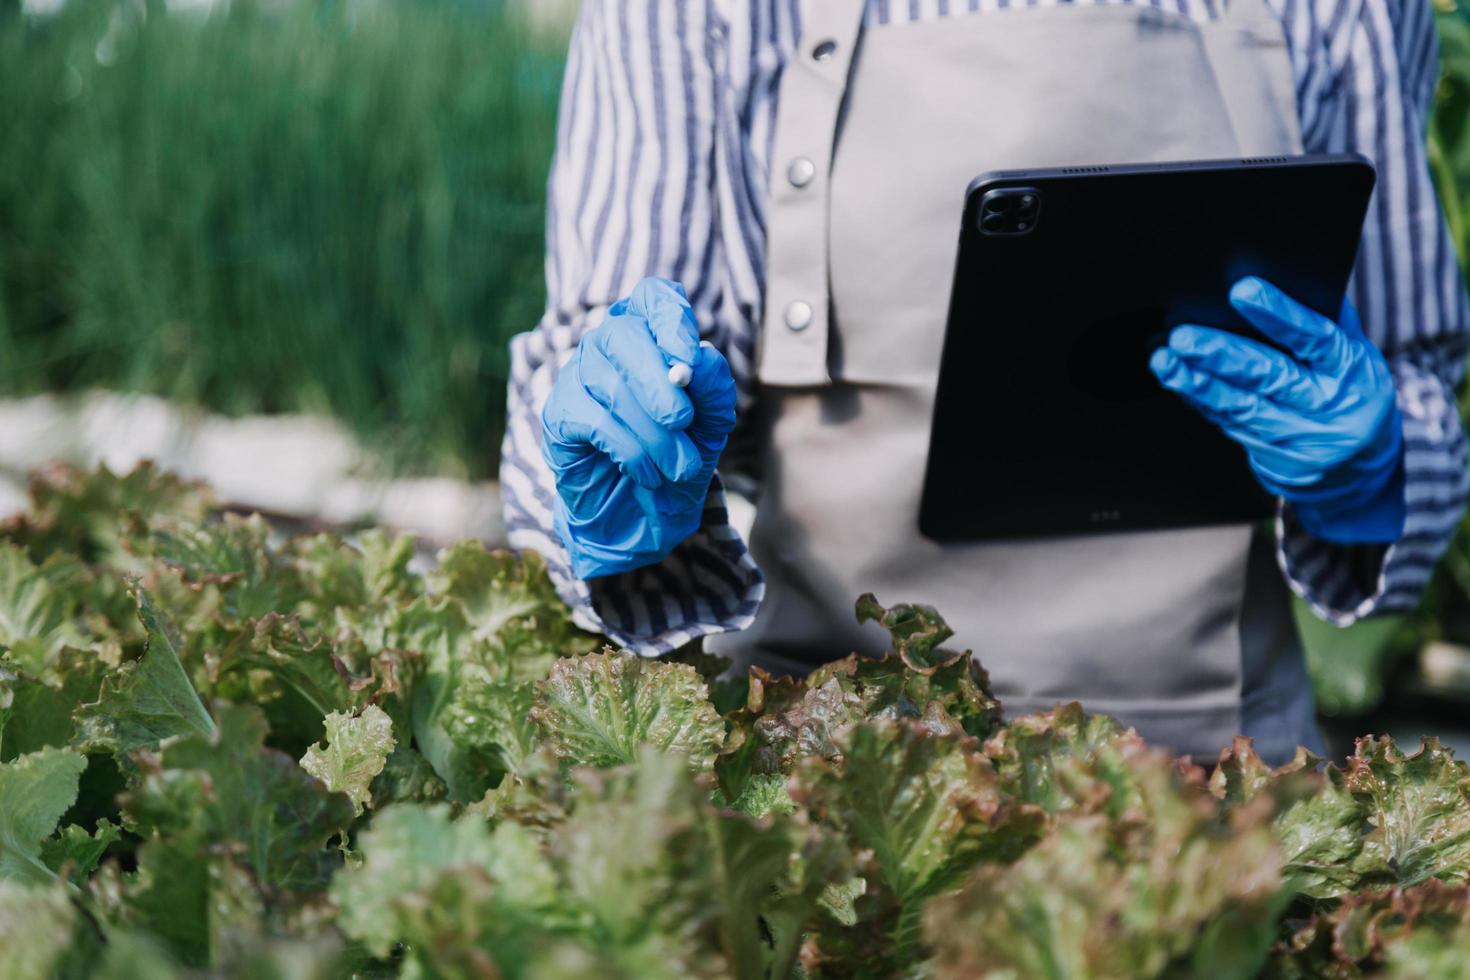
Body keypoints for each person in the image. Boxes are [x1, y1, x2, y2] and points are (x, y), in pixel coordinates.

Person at [502, 0, 1470, 764]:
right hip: (832, 763)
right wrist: (613, 473)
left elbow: (1415, 378)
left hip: (1219, 776)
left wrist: (1373, 471)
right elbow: (601, 343)